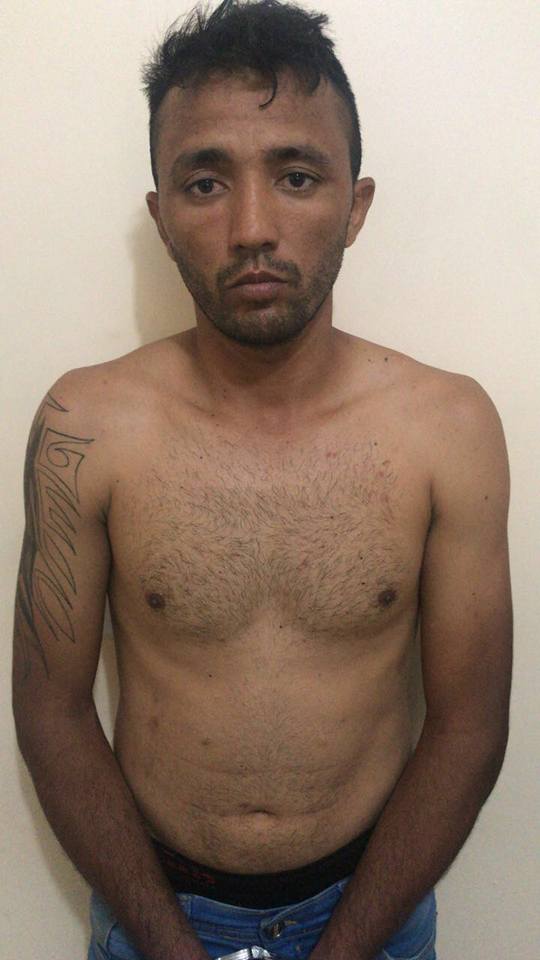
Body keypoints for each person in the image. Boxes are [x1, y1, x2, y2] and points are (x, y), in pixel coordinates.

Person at [12, 1, 513, 959]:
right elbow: (51, 709)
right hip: (155, 914)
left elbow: (469, 728)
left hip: (375, 911)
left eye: (296, 176)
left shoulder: (448, 429)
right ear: (161, 217)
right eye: (205, 182)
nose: (252, 228)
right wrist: (167, 944)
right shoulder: (85, 426)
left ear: (355, 206)